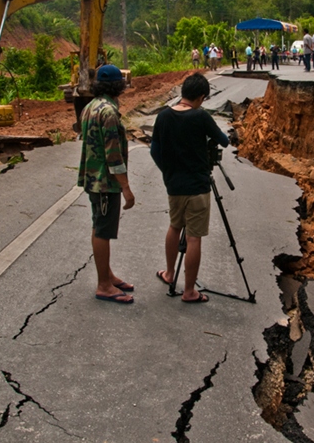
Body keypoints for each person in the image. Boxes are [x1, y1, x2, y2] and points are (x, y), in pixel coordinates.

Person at [150, 73, 230, 304]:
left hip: (173, 185)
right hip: (197, 186)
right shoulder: (200, 116)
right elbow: (223, 141)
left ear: (183, 92)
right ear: (201, 97)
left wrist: (168, 171)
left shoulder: (163, 116)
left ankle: (169, 273)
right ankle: (189, 291)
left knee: (175, 227)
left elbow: (155, 151)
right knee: (194, 238)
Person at [77, 64, 136, 304]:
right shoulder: (109, 113)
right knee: (102, 231)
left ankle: (107, 275)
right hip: (104, 181)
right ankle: (103, 284)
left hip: (93, 178)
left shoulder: (90, 106)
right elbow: (113, 155)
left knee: (100, 226)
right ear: (118, 86)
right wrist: (127, 189)